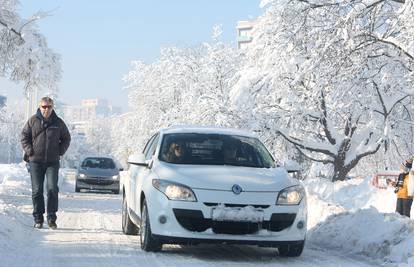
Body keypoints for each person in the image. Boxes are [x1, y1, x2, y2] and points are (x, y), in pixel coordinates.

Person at [21, 96, 71, 229]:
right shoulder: (32, 121)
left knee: (52, 189)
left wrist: (60, 151)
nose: (46, 109)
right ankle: (38, 218)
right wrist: (30, 151)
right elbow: (24, 137)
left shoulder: (58, 122)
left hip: (52, 162)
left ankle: (51, 218)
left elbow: (67, 138)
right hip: (35, 162)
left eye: (49, 107)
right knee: (37, 190)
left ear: (52, 107)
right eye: (44, 107)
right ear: (40, 107)